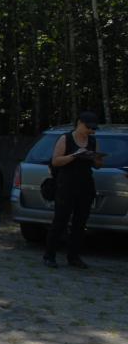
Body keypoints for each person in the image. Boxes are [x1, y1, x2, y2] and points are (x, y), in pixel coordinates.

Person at [45, 110, 104, 269]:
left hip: (85, 185)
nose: (90, 131)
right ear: (79, 123)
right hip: (66, 185)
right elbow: (56, 161)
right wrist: (74, 155)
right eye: (88, 127)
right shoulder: (66, 138)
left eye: (93, 128)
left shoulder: (92, 141)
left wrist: (97, 159)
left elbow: (98, 165)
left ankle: (74, 256)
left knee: (80, 222)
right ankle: (50, 255)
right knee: (60, 220)